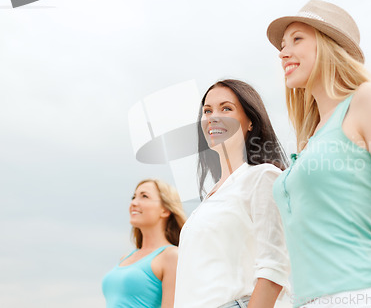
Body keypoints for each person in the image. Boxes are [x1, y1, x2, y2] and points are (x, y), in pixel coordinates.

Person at [267, 0, 371, 308]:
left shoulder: (367, 101)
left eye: (297, 39)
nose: (283, 52)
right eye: (282, 45)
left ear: (329, 46)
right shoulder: (311, 137)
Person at [174, 79, 290, 308]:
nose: (213, 116)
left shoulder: (263, 176)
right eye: (207, 110)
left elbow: (274, 269)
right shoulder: (210, 197)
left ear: (250, 122)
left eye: (226, 108)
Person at [102, 179, 187, 308]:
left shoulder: (171, 256)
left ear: (165, 210)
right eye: (133, 197)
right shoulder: (125, 258)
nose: (134, 203)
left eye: (144, 196)